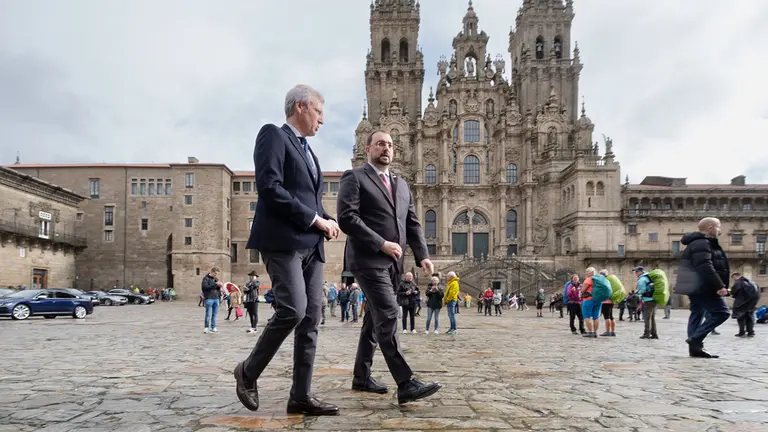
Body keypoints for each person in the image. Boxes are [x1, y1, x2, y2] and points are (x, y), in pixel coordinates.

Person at [233, 84, 340, 416]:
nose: (322, 119)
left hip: (312, 247)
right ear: (301, 107)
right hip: (283, 242)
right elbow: (270, 187)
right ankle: (247, 372)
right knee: (293, 310)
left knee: (311, 319)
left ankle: (301, 396)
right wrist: (314, 219)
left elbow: (310, 200)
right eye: (319, 111)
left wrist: (326, 217)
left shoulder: (310, 153)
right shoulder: (274, 135)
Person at [337, 129, 442, 405]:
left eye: (390, 145)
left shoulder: (402, 185)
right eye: (380, 143)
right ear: (368, 148)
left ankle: (361, 377)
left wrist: (422, 255)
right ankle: (405, 382)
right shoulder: (355, 177)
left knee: (374, 319)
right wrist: (381, 243)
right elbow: (347, 218)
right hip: (368, 259)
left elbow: (412, 223)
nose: (386, 148)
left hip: (394, 264)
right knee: (389, 313)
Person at [679, 217, 731, 358]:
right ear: (710, 227)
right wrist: (719, 285)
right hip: (703, 286)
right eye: (718, 227)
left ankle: (695, 349)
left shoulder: (698, 242)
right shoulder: (702, 243)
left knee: (697, 314)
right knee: (722, 313)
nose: (720, 231)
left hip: (695, 286)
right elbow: (705, 266)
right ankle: (695, 339)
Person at [202, 267, 223, 334]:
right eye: (215, 273)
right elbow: (205, 287)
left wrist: (219, 287)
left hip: (216, 298)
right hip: (209, 298)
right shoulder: (206, 278)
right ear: (212, 272)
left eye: (217, 274)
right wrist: (215, 284)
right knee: (208, 314)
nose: (216, 275)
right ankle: (206, 327)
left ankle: (213, 327)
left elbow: (217, 289)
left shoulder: (216, 279)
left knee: (214, 314)